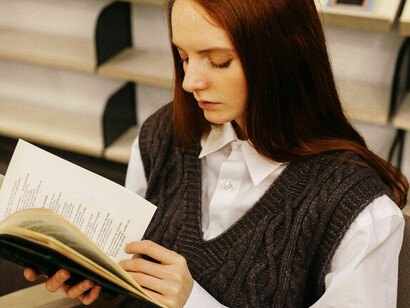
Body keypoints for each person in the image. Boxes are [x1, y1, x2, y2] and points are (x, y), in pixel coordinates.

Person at [24, 0, 409, 307]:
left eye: (219, 61)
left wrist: (192, 301)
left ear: (283, 56)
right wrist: (101, 277)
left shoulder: (360, 212)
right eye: (184, 56)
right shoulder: (162, 135)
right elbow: (132, 262)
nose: (190, 81)